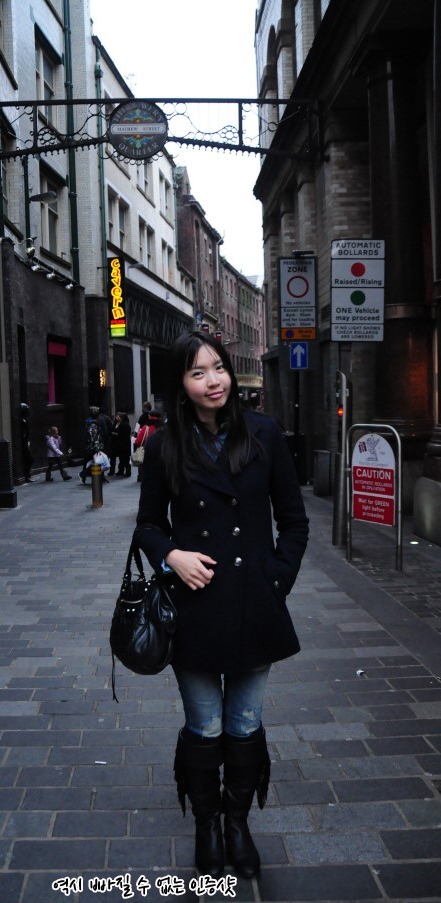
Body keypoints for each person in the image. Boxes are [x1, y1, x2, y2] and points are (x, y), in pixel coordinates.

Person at [134, 331, 309, 880]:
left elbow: (295, 522)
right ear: (180, 384)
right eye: (197, 373)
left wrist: (275, 581)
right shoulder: (164, 446)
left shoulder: (263, 433)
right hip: (195, 608)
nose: (213, 381)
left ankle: (238, 824)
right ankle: (207, 826)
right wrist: (172, 557)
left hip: (255, 604)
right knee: (205, 725)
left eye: (219, 368)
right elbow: (147, 525)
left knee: (245, 721)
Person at [133, 408, 161, 482]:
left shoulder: (146, 428)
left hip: (147, 453)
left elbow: (138, 441)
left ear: (150, 417)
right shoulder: (164, 428)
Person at [20, 402, 34, 482]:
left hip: (25, 442)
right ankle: (27, 476)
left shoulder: (24, 420)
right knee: (28, 459)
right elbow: (24, 433)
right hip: (24, 443)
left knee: (29, 459)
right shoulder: (23, 421)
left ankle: (27, 475)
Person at [115, 413, 132, 477]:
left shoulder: (122, 425)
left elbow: (117, 431)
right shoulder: (127, 425)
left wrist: (117, 426)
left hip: (122, 444)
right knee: (125, 459)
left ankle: (124, 471)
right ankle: (126, 471)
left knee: (123, 459)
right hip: (126, 444)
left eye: (120, 417)